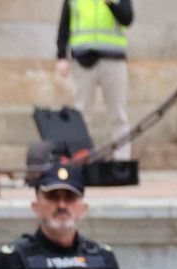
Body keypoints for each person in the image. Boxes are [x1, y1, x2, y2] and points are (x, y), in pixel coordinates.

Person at [55, 0, 135, 162]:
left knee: (118, 113)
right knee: (82, 113)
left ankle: (122, 160)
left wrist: (111, 3)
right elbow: (65, 23)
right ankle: (82, 158)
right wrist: (61, 55)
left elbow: (127, 18)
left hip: (113, 59)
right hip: (83, 60)